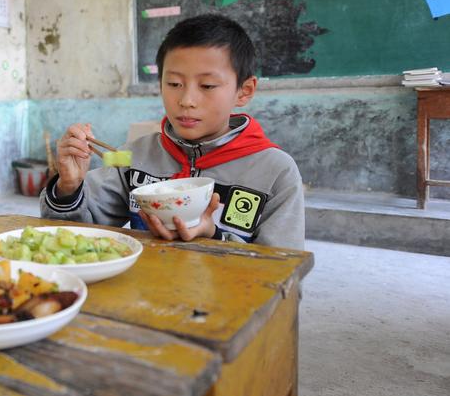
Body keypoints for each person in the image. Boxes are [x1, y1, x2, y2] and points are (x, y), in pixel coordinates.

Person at [40, 14, 304, 250]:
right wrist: (69, 187)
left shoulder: (275, 171)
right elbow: (74, 239)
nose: (187, 100)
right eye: (174, 83)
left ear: (244, 91)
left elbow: (284, 269)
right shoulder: (134, 156)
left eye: (208, 85)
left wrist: (215, 236)